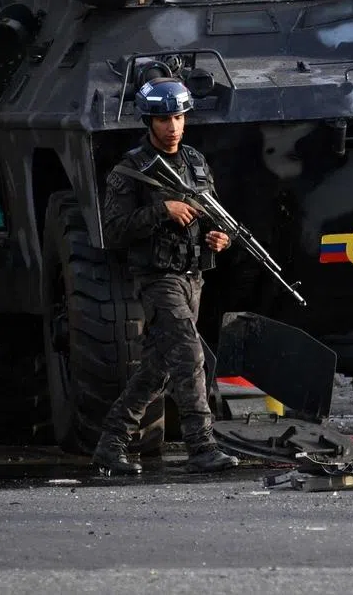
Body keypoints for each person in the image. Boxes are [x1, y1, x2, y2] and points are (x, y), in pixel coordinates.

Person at [91, 77, 240, 476]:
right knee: (190, 354)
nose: (172, 126)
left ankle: (112, 442)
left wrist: (217, 238)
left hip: (193, 276)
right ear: (149, 122)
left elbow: (211, 214)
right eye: (163, 119)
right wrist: (162, 210)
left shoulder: (194, 161)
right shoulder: (131, 170)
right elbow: (114, 229)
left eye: (178, 117)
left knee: (157, 368)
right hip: (157, 278)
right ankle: (201, 446)